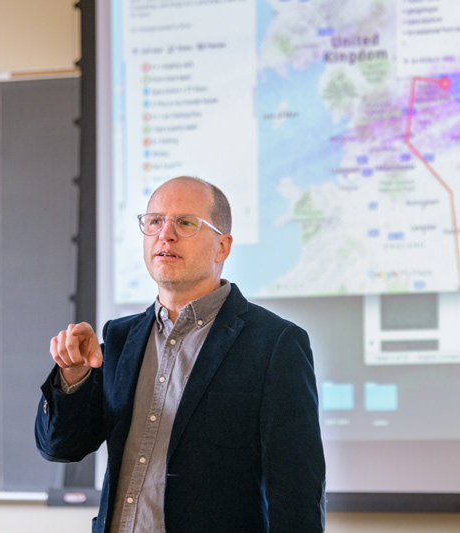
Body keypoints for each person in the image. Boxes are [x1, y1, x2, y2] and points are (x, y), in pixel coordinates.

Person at [35, 176, 326, 532]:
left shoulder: (276, 344)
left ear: (222, 247)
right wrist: (74, 378)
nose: (165, 234)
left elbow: (297, 495)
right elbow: (61, 448)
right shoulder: (121, 337)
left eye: (185, 223)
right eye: (155, 221)